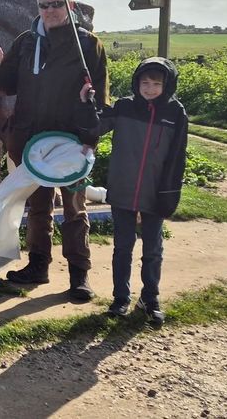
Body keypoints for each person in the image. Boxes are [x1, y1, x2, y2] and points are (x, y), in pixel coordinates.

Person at [0, 0, 108, 301]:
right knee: (38, 207)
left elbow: (101, 98)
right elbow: (8, 85)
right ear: (37, 7)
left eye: (57, 4)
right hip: (31, 140)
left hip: (72, 141)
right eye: (44, 5)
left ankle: (79, 275)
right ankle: (38, 266)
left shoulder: (88, 44)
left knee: (74, 209)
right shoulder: (27, 42)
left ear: (70, 6)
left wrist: (89, 137)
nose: (50, 11)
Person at [80, 57, 187, 327]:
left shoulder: (176, 113)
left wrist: (171, 192)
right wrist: (87, 103)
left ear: (168, 85)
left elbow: (177, 157)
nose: (149, 88)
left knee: (153, 250)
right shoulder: (125, 107)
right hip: (123, 190)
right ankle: (121, 299)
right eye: (145, 82)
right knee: (122, 248)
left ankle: (150, 299)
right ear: (136, 83)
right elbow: (96, 126)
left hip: (156, 192)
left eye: (156, 84)